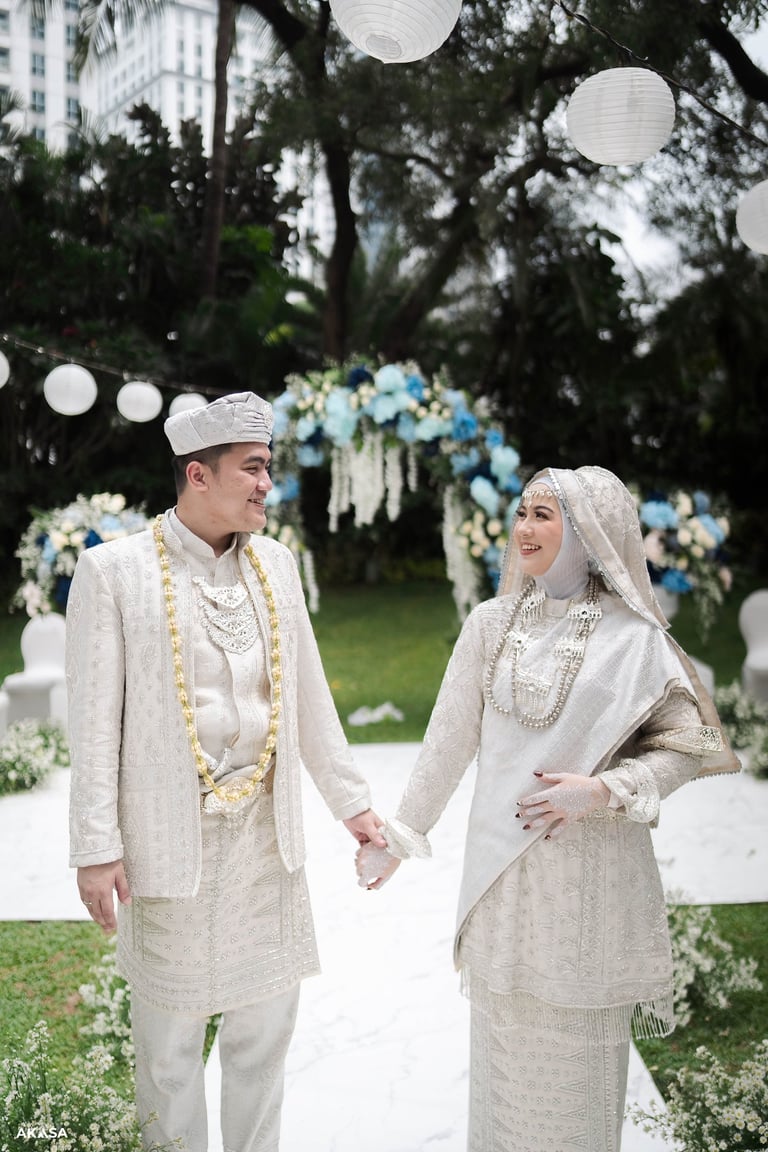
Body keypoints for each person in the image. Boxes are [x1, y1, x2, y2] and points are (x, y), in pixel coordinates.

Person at [356, 465, 738, 1152]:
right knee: (505, 1076)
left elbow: (692, 746)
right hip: (504, 889)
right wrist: (399, 837)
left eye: (544, 515)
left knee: (576, 1085)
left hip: (592, 892)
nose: (525, 528)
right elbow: (447, 742)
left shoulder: (635, 638)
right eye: (522, 512)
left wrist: (600, 791)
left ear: (588, 534)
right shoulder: (491, 625)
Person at [67, 391, 385, 1152]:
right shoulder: (115, 572)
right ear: (197, 475)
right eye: (252, 468)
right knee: (169, 1051)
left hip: (265, 847)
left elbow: (309, 697)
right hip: (167, 844)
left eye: (268, 467)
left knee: (263, 1038)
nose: (266, 484)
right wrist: (95, 847)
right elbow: (92, 724)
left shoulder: (276, 564)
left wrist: (353, 804)